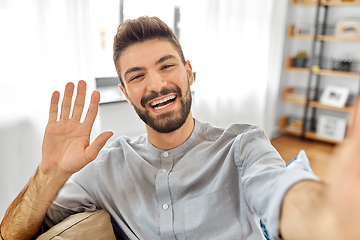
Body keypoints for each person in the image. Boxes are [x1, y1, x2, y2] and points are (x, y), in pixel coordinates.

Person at [1, 16, 360, 240]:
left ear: (189, 72)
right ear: (125, 93)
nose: (156, 85)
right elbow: (11, 233)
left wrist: (333, 219)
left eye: (166, 66)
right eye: (137, 76)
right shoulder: (105, 167)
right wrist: (49, 173)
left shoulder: (242, 145)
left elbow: (281, 193)